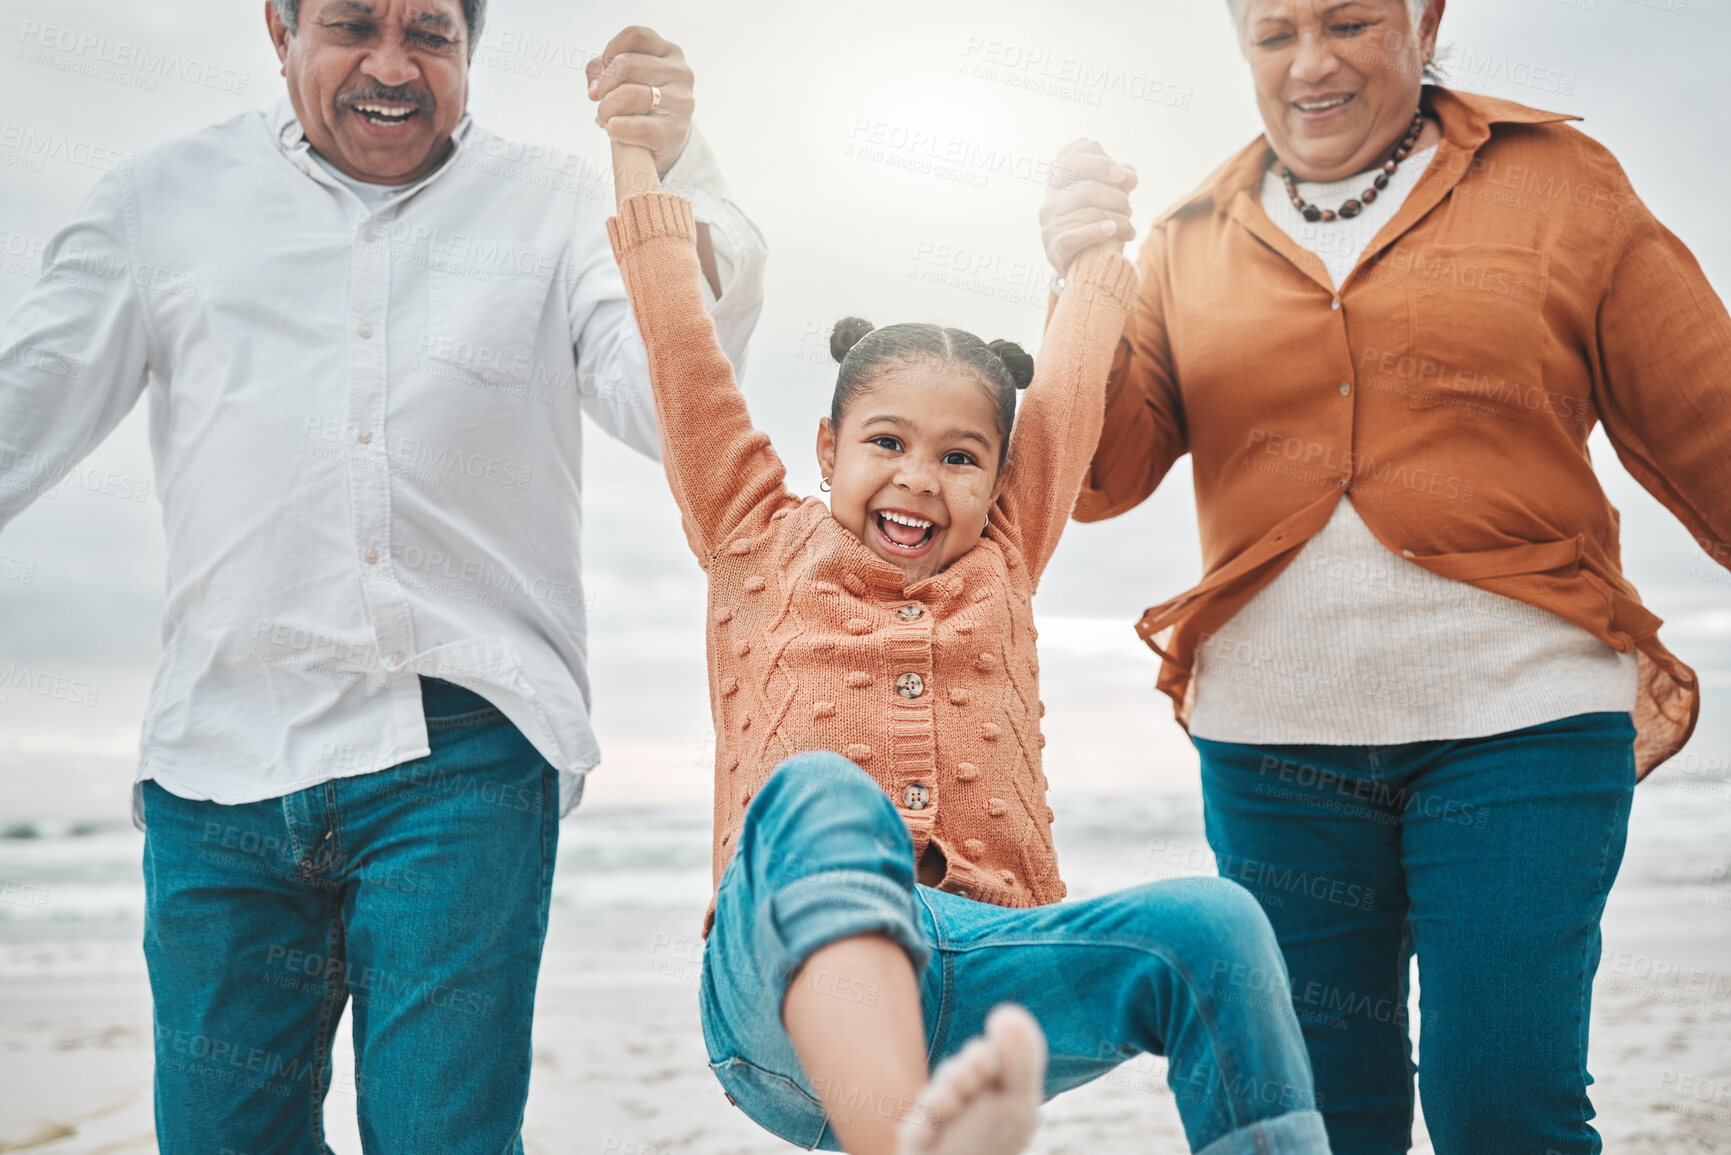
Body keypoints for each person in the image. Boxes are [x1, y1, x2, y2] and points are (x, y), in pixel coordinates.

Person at [0, 1, 764, 1148]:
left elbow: (677, 407)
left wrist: (673, 173)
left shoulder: (559, 205)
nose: (394, 67)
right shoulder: (157, 203)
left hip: (463, 756)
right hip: (220, 761)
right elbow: (27, 402)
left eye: (432, 36)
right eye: (355, 25)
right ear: (279, 27)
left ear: (471, 44)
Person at [1037, 0, 1731, 1152]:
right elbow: (1101, 474)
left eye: (1350, 21)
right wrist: (1081, 282)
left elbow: (1708, 419)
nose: (1311, 63)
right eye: (1274, 35)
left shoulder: (1563, 182)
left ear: (1425, 19)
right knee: (1324, 1117)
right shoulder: (1186, 238)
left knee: (1503, 1102)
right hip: (1274, 749)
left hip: (1525, 722)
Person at [601, 139, 1332, 1155]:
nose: (918, 478)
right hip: (784, 989)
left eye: (959, 458)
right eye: (887, 443)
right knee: (821, 792)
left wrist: (1093, 255)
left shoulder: (1005, 552)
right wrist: (640, 163)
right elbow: (682, 352)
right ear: (828, 449)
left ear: (998, 482)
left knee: (1218, 925)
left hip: (992, 978)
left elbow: (1070, 388)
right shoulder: (752, 534)